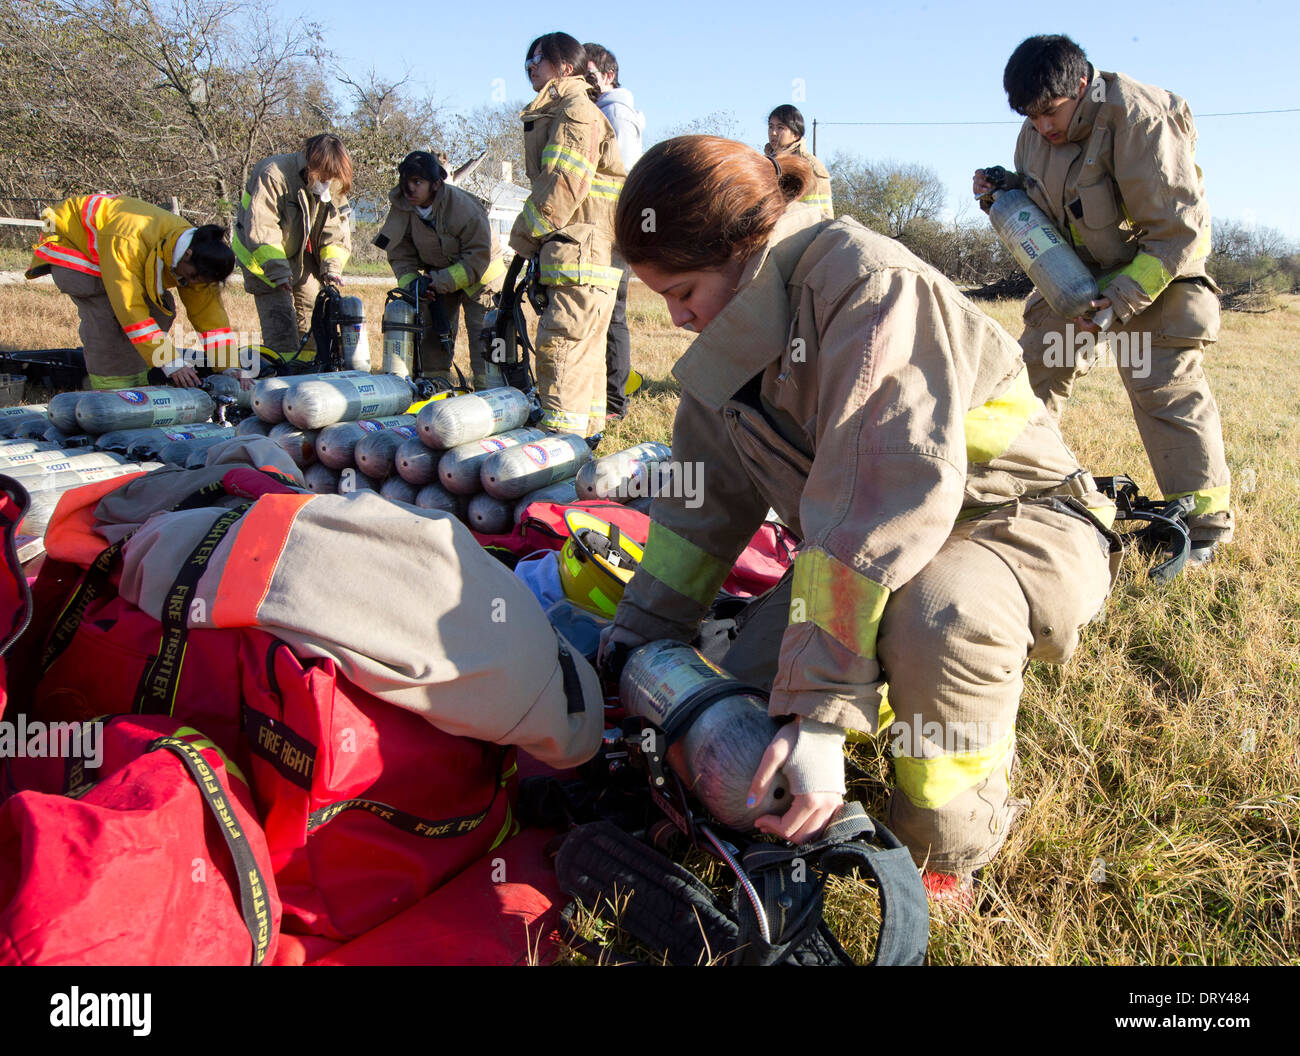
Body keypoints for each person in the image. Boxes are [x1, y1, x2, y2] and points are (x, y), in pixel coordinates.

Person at [601, 136, 1117, 904]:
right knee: (736, 706)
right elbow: (700, 506)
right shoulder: (736, 328)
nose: (677, 319)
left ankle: (943, 851)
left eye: (683, 292)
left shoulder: (869, 287)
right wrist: (637, 633)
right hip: (875, 536)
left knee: (937, 617)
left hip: (1014, 523)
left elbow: (881, 495)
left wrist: (817, 717)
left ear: (743, 251)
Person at [974, 34, 1232, 563]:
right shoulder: (1034, 134)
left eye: (1049, 112)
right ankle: (1011, 493)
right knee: (1031, 374)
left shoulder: (1139, 119)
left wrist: (1117, 303)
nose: (1041, 126)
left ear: (1082, 84)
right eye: (1029, 115)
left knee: (1163, 386)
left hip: (1157, 267)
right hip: (1079, 277)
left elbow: (1177, 233)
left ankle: (1203, 526)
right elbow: (1044, 199)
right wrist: (1005, 190)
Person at [511, 32, 626, 436]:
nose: (529, 68)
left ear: (565, 66)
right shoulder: (570, 109)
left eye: (537, 59)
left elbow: (562, 184)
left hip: (581, 256)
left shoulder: (575, 111)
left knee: (560, 349)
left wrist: (523, 239)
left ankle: (558, 448)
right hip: (586, 256)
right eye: (526, 61)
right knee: (585, 354)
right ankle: (588, 437)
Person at [27, 193, 239, 390]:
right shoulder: (128, 239)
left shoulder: (197, 257)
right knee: (107, 318)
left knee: (161, 309)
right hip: (71, 243)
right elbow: (129, 308)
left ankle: (137, 378)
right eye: (193, 278)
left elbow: (210, 318)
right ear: (187, 255)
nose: (192, 284)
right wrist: (170, 362)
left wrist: (228, 365)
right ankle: (111, 390)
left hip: (112, 246)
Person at [374, 150, 507, 388]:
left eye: (417, 182)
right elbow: (399, 253)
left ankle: (491, 400)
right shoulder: (402, 208)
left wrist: (437, 281)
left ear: (435, 184)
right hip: (438, 279)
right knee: (433, 339)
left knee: (484, 343)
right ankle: (435, 392)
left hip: (483, 280)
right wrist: (414, 285)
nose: (409, 189)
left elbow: (478, 257)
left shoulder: (463, 207)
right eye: (406, 181)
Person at [233, 133, 353, 368]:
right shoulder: (272, 173)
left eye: (333, 178)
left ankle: (307, 374)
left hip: (299, 255)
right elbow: (262, 228)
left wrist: (332, 269)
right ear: (310, 164)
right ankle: (282, 379)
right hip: (262, 259)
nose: (329, 182)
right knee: (281, 324)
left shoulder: (333, 181)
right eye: (324, 176)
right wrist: (277, 272)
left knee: (312, 316)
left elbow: (335, 231)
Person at [585, 42, 645, 422]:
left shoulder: (616, 115)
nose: (585, 84)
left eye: (590, 75)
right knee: (597, 314)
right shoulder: (599, 112)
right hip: (598, 229)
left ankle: (614, 404)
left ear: (608, 75)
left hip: (611, 231)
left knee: (612, 315)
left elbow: (620, 181)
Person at [766, 105, 833, 219]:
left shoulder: (809, 166)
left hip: (801, 233)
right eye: (771, 127)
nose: (773, 133)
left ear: (796, 134)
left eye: (780, 128)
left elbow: (822, 216)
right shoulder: (763, 164)